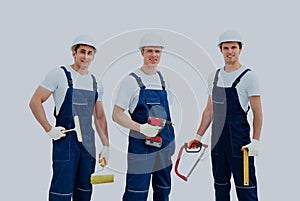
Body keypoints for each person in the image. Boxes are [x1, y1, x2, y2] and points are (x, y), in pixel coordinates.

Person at [29, 35, 109, 201]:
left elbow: (99, 116)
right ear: (74, 53)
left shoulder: (96, 83)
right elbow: (35, 101)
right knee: (62, 189)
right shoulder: (59, 74)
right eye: (82, 52)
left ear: (93, 56)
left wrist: (106, 145)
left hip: (88, 143)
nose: (85, 56)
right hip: (66, 139)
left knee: (85, 188)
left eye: (89, 53)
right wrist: (49, 128)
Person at [189, 30, 263, 201]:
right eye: (226, 48)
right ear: (221, 50)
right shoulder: (214, 77)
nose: (230, 51)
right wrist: (198, 136)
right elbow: (210, 110)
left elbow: (257, 112)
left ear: (240, 49)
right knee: (220, 186)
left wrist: (256, 140)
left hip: (240, 141)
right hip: (218, 141)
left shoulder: (249, 77)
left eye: (234, 47)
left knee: (246, 187)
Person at [112, 32, 175, 201]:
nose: (154, 55)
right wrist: (141, 128)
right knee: (136, 192)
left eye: (157, 51)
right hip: (141, 145)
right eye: (149, 51)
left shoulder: (164, 80)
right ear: (142, 52)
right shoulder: (131, 81)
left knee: (163, 189)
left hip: (165, 142)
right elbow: (116, 115)